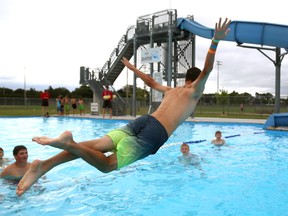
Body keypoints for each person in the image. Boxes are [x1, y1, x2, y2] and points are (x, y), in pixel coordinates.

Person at [16, 17, 231, 196]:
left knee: (95, 145)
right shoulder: (194, 91)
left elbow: (150, 82)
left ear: (185, 78)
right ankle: (69, 143)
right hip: (155, 132)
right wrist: (214, 42)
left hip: (143, 120)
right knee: (107, 166)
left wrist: (132, 67)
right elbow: (208, 69)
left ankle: (44, 165)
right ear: (196, 81)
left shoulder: (172, 90)